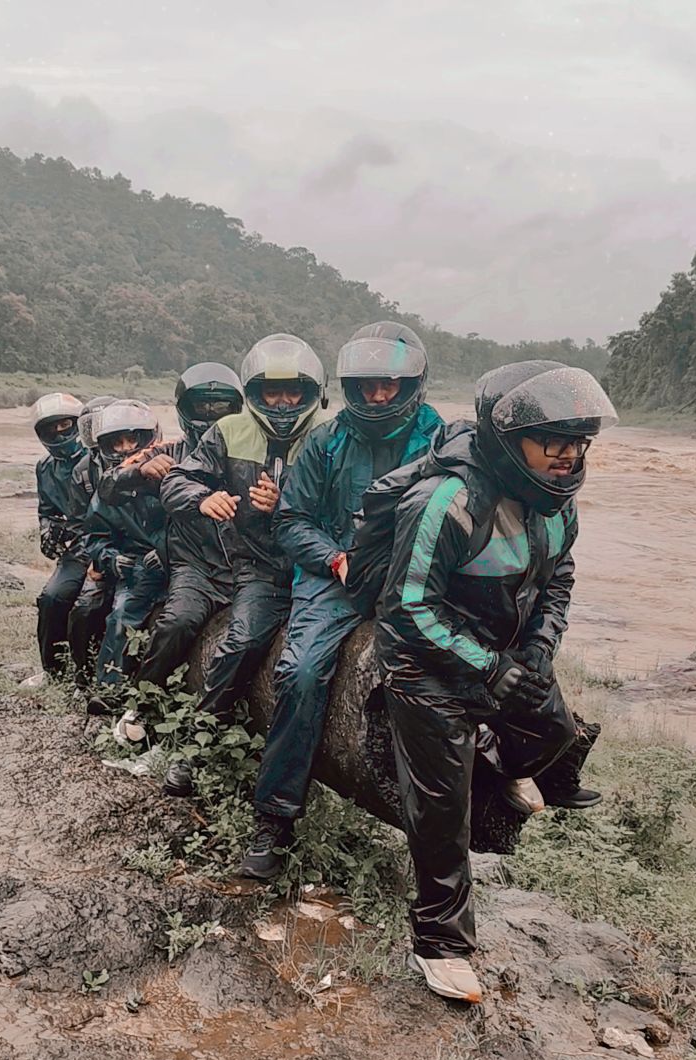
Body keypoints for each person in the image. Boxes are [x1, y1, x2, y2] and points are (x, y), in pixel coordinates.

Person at [354, 360, 617, 1003]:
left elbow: (558, 581)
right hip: (426, 666)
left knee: (554, 730)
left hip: (503, 653)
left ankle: (494, 757)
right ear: (507, 441)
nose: (567, 457)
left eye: (577, 444)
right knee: (443, 808)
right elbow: (408, 609)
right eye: (551, 443)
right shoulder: (445, 500)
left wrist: (536, 651)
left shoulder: (559, 505)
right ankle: (441, 945)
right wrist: (490, 670)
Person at [240, 320, 444, 881]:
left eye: (392, 385)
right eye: (369, 385)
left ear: (412, 384)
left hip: (409, 581)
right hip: (334, 577)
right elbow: (292, 520)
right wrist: (336, 558)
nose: (380, 396)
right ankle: (274, 820)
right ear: (351, 387)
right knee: (301, 671)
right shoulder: (325, 441)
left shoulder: (438, 439)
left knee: (455, 670)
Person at [161, 334, 330, 796]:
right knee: (241, 642)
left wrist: (286, 505)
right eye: (271, 392)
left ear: (311, 393)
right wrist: (203, 495)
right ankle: (195, 748)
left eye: (292, 392)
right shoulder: (229, 430)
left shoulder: (331, 435)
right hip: (261, 565)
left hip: (319, 567)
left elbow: (353, 509)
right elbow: (179, 479)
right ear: (253, 394)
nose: (281, 402)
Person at [109, 364, 244, 741]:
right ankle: (140, 705)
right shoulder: (167, 453)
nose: (211, 415)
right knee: (177, 622)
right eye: (202, 407)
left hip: (247, 565)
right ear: (185, 409)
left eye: (221, 407)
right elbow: (108, 487)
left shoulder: (249, 448)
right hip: (195, 566)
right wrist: (140, 470)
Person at [83, 400, 169, 706]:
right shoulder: (108, 489)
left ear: (149, 438)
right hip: (134, 568)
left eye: (133, 439)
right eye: (117, 442)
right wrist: (111, 559)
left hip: (180, 562)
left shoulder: (172, 470)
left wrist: (169, 551)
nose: (126, 448)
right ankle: (109, 690)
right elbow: (93, 536)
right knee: (121, 615)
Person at [24, 392, 86, 685]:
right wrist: (47, 531)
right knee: (51, 598)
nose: (60, 433)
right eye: (52, 428)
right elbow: (46, 510)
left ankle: (88, 675)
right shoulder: (45, 468)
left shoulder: (100, 455)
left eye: (65, 425)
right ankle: (52, 671)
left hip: (111, 544)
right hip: (76, 552)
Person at [67, 396, 118, 686]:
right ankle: (80, 674)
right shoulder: (83, 471)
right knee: (84, 608)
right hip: (98, 553)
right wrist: (95, 559)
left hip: (141, 553)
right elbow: (79, 523)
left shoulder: (150, 463)